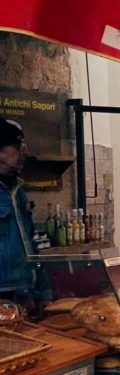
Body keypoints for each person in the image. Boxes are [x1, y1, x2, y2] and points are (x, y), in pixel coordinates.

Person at [0, 118, 40, 303]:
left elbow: (31, 242)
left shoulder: (18, 190)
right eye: (18, 146)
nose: (25, 152)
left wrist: (41, 290)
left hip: (24, 289)